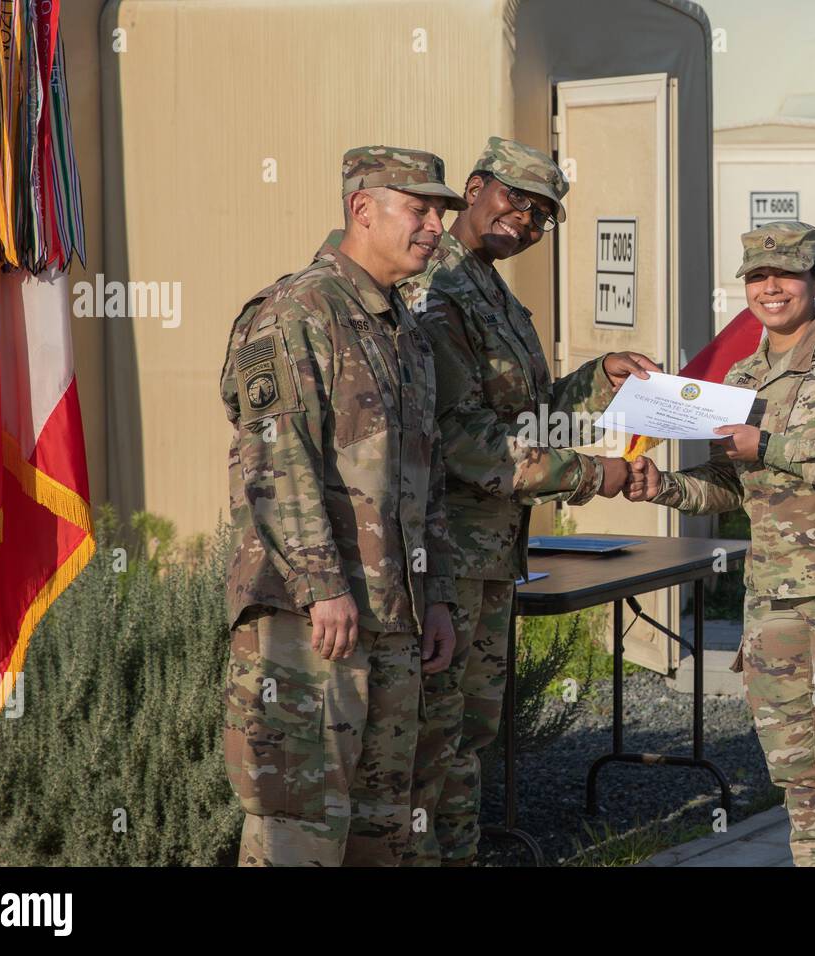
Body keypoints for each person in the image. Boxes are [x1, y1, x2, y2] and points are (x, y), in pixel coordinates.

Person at [627, 220, 815, 867]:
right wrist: (662, 487)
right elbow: (732, 486)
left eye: (787, 274)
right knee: (803, 781)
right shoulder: (742, 377)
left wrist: (766, 443)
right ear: (745, 287)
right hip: (775, 602)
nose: (773, 288)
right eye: (759, 277)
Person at [397, 136, 661, 866]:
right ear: (476, 188)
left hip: (490, 554)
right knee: (435, 735)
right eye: (517, 200)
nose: (527, 222)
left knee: (469, 734)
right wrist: (587, 476)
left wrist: (602, 377)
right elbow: (462, 439)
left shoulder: (490, 289)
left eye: (542, 216)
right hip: (447, 555)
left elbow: (534, 413)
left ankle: (460, 852)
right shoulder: (437, 288)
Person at [219, 146, 465, 867]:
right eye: (420, 209)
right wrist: (322, 584)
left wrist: (440, 596)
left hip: (395, 618)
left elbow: (430, 481)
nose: (436, 228)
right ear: (363, 208)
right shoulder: (293, 313)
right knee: (298, 826)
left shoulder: (405, 332)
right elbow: (276, 461)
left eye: (440, 213)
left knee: (382, 829)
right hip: (311, 620)